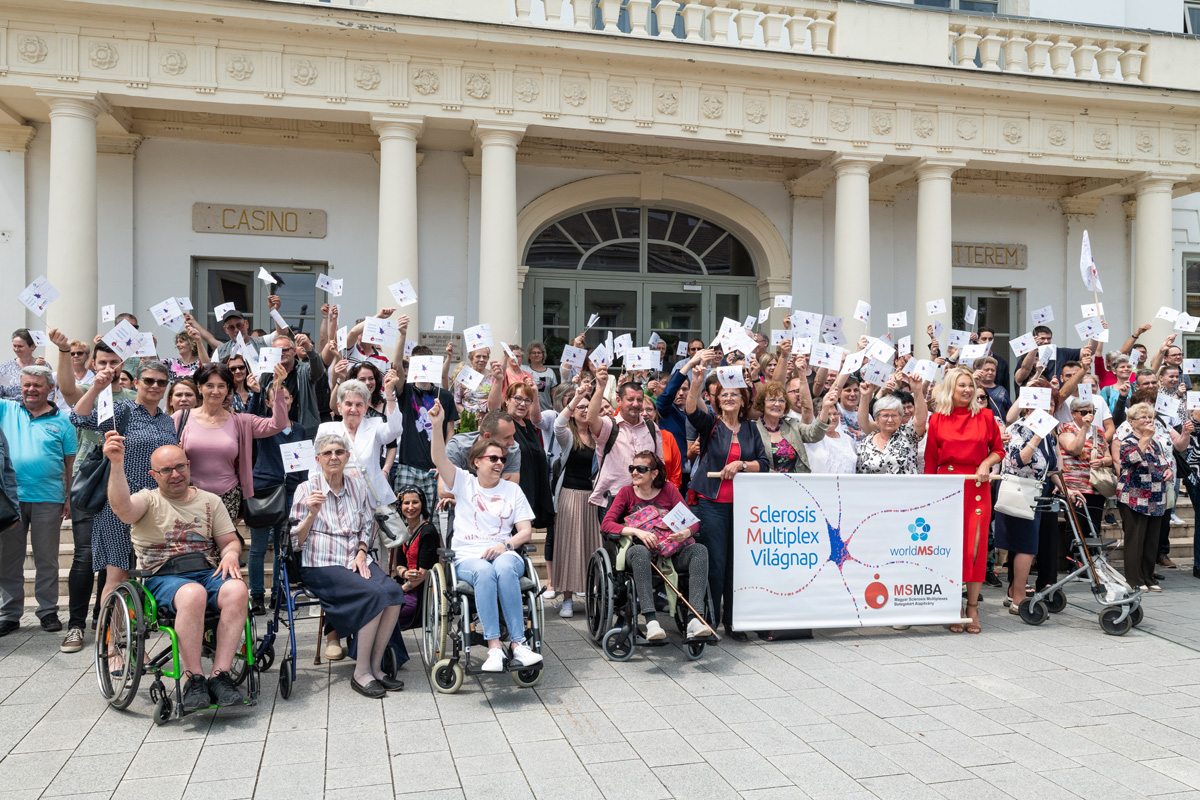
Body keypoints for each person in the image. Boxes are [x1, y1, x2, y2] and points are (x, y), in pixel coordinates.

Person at [101, 436, 249, 711]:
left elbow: (230, 541)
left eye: (180, 467)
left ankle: (220, 675)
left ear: (189, 465)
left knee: (238, 590)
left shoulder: (210, 500)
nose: (175, 474)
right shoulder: (148, 499)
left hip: (204, 571)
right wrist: (117, 464)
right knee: (193, 594)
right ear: (153, 475)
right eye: (166, 470)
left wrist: (230, 553)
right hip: (161, 576)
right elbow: (122, 509)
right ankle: (194, 677)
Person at [428, 399, 544, 672]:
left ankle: (518, 645)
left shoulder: (512, 491)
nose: (500, 462)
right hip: (470, 556)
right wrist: (437, 426)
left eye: (502, 459)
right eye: (493, 458)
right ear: (476, 461)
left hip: (505, 551)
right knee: (484, 570)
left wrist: (506, 545)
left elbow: (526, 531)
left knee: (503, 567)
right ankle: (494, 648)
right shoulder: (463, 483)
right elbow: (438, 459)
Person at [290, 433, 406, 697]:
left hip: (355, 558)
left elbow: (368, 525)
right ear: (318, 459)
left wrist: (363, 551)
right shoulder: (306, 490)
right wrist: (311, 514)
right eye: (328, 453)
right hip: (320, 563)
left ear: (347, 457)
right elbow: (295, 541)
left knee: (394, 593)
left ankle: (376, 668)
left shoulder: (358, 486)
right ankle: (360, 671)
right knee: (374, 595)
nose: (334, 457)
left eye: (339, 452)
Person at [71, 361, 178, 610]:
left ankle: (133, 635)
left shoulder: (168, 422)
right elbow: (79, 417)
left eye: (161, 382)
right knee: (117, 575)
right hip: (119, 504)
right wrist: (97, 387)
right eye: (149, 380)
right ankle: (110, 642)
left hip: (156, 506)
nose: (155, 386)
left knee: (151, 574)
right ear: (137, 383)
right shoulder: (121, 411)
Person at [685, 355, 768, 641]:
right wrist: (696, 382)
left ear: (744, 401)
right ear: (717, 401)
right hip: (712, 505)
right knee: (716, 563)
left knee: (738, 564)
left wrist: (742, 465)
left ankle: (735, 621)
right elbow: (691, 411)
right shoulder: (711, 425)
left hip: (744, 507)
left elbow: (764, 463)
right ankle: (709, 621)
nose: (729, 398)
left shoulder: (751, 429)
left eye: (735, 395)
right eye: (724, 395)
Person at [924, 367, 1003, 634]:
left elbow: (998, 451)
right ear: (951, 388)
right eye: (962, 385)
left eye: (970, 385)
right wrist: (930, 497)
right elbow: (930, 461)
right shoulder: (936, 419)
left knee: (976, 548)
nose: (967, 390)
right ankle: (953, 604)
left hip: (978, 485)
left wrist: (986, 463)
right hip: (947, 488)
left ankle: (972, 607)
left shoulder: (987, 416)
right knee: (953, 548)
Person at [601, 451, 713, 641]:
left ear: (654, 473)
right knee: (639, 551)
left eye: (641, 469)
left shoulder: (669, 490)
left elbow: (693, 522)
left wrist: (684, 534)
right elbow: (607, 523)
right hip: (639, 552)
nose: (634, 472)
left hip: (669, 550)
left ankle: (695, 618)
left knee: (699, 550)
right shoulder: (626, 493)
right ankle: (651, 621)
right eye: (632, 468)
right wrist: (637, 532)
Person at [0, 366, 76, 636]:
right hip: (10, 500)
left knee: (47, 559)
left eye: (37, 385)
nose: (30, 389)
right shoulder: (6, 410)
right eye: (26, 385)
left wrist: (68, 498)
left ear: (49, 388)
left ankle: (47, 611)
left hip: (49, 498)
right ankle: (9, 614)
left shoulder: (62, 421)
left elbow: (69, 463)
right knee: (9, 559)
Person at [174, 362, 289, 523]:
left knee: (224, 547)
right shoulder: (181, 418)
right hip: (189, 496)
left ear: (228, 389)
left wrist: (277, 388)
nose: (215, 391)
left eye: (221, 386)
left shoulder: (241, 421)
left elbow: (278, 424)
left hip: (228, 497)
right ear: (199, 388)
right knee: (194, 546)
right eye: (209, 385)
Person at [994, 405, 1064, 613]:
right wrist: (1036, 437)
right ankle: (1019, 597)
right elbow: (1017, 460)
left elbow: (1051, 467)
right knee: (1026, 546)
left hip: (1037, 492)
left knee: (1029, 545)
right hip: (1019, 490)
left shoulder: (1050, 432)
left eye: (1051, 404)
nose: (1048, 409)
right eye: (1042, 404)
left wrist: (1065, 488)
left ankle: (1013, 592)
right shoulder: (1018, 428)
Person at [246, 383, 308, 615]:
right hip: (264, 490)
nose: (284, 400)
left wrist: (303, 486)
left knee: (283, 548)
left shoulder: (300, 429)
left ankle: (278, 594)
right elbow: (249, 417)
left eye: (287, 395)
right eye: (276, 397)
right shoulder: (263, 425)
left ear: (291, 399)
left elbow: (303, 463)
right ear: (269, 402)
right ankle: (257, 596)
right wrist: (255, 393)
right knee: (258, 548)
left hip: (290, 492)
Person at [389, 331, 458, 530]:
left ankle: (434, 561)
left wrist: (444, 464)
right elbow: (397, 367)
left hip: (433, 469)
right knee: (403, 523)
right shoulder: (406, 390)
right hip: (408, 465)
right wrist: (401, 334)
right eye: (418, 363)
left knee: (433, 524)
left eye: (427, 362)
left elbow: (450, 433)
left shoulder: (443, 396)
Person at [550, 384, 601, 618]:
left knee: (593, 545)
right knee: (569, 546)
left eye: (588, 406)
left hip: (594, 498)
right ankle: (567, 599)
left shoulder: (599, 433)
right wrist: (578, 395)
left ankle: (593, 596)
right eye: (580, 407)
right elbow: (557, 423)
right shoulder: (567, 434)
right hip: (570, 495)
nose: (583, 410)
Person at [587, 366, 662, 519]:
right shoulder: (609, 426)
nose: (636, 403)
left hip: (646, 500)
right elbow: (591, 419)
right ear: (619, 400)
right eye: (630, 399)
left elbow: (660, 465)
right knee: (613, 543)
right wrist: (600, 387)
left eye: (639, 400)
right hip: (613, 499)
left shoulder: (651, 427)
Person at [1117, 403, 1174, 592]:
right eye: (1143, 418)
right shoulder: (1128, 441)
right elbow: (1130, 460)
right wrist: (1146, 437)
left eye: (1150, 418)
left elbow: (1165, 463)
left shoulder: (1155, 442)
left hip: (1156, 497)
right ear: (1131, 422)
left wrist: (1168, 472)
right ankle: (1135, 580)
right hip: (1134, 498)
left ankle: (1149, 578)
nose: (1149, 421)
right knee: (1136, 540)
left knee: (1151, 541)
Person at [1057, 397, 1111, 542]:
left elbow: (1108, 457)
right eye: (1084, 412)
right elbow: (1074, 449)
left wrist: (1101, 462)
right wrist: (1084, 428)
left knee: (1094, 527)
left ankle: (1093, 560)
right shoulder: (1065, 428)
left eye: (1092, 411)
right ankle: (1075, 561)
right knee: (1076, 527)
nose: (1089, 415)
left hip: (1095, 486)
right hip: (1075, 487)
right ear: (1073, 413)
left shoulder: (1098, 431)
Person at [753, 380, 832, 473]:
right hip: (767, 484)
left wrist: (825, 407)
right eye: (772, 399)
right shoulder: (753, 429)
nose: (777, 404)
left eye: (781, 400)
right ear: (762, 403)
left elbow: (815, 434)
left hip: (796, 484)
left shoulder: (792, 425)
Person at [856, 377, 929, 475]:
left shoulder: (907, 434)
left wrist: (917, 390)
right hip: (873, 489)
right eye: (885, 415)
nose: (890, 420)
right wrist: (865, 396)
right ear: (876, 418)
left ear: (900, 417)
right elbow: (863, 421)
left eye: (894, 415)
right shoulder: (867, 441)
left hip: (903, 489)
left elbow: (920, 419)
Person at [392, 485, 441, 628]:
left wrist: (399, 590)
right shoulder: (404, 530)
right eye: (406, 503)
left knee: (385, 615)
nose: (410, 507)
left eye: (415, 502)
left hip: (420, 593)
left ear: (422, 504)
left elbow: (423, 574)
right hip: (405, 586)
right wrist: (405, 572)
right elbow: (399, 564)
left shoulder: (428, 531)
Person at [272, 333, 326, 436]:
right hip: (277, 433)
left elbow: (318, 371)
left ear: (294, 351)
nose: (282, 354)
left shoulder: (305, 369)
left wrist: (309, 349)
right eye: (277, 351)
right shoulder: (267, 375)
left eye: (285, 350)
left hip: (303, 431)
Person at [445, 409, 521, 481]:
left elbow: (509, 491)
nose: (512, 442)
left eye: (513, 435)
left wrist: (462, 482)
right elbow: (445, 491)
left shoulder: (512, 450)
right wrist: (497, 484)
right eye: (506, 438)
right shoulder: (458, 447)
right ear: (487, 437)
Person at [453, 346, 494, 418]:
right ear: (471, 358)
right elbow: (457, 402)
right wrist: (467, 416)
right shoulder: (463, 376)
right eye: (478, 356)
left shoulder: (493, 377)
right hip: (469, 421)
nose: (481, 359)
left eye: (484, 357)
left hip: (489, 420)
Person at [0, 329, 40, 401]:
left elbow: (49, 392)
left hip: (35, 409)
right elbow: (1, 390)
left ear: (33, 346)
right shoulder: (6, 367)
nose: (16, 349)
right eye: (14, 346)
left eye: (20, 346)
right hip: (9, 409)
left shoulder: (41, 366)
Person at [522, 341, 559, 413]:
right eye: (533, 353)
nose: (536, 355)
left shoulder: (550, 372)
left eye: (539, 352)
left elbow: (554, 395)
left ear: (543, 355)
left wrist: (557, 410)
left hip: (546, 411)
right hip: (527, 412)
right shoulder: (523, 370)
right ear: (529, 355)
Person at [974, 357, 1011, 423]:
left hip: (1000, 429)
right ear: (978, 371)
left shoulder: (1002, 390)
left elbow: (1009, 412)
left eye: (993, 370)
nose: (990, 372)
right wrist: (972, 381)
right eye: (987, 370)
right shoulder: (972, 389)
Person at [977, 327, 1010, 392]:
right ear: (978, 340)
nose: (987, 341)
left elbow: (1006, 387)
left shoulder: (1002, 362)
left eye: (990, 339)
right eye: (984, 339)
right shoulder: (971, 361)